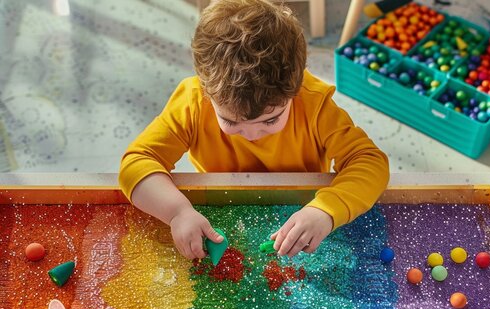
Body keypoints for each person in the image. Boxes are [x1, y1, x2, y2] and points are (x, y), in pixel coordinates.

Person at [119, 0, 389, 260]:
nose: (251, 135)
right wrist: (177, 212)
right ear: (206, 91)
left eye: (270, 121)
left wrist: (326, 210)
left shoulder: (313, 104)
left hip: (303, 210)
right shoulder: (192, 102)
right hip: (220, 212)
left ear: (294, 92)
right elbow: (137, 163)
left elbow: (369, 162)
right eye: (232, 122)